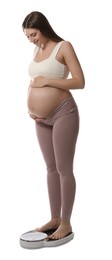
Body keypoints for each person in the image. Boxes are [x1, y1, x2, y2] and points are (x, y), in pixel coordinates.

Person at [22, 11, 85, 240]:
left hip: (63, 113)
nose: (31, 40)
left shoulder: (64, 46)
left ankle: (66, 223)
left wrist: (48, 82)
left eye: (33, 34)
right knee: (49, 168)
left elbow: (80, 81)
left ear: (43, 28)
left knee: (63, 169)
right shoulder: (36, 49)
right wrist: (32, 108)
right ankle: (55, 218)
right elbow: (34, 82)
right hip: (41, 119)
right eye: (28, 36)